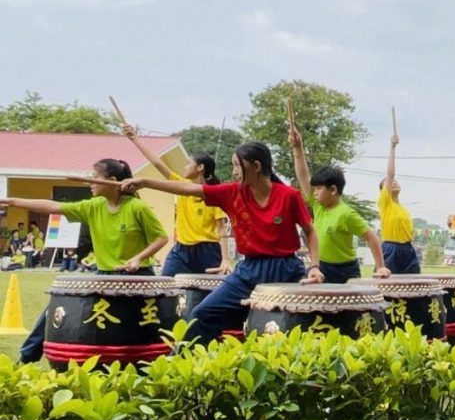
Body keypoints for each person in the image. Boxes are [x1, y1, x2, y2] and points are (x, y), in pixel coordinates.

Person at [121, 142, 324, 346]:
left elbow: (310, 231)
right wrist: (145, 182)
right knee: (203, 313)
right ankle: (186, 360)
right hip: (247, 271)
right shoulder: (232, 193)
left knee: (295, 323)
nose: (234, 172)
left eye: (237, 165)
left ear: (256, 166)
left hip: (287, 270)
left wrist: (314, 267)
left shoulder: (289, 196)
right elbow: (188, 189)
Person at [3, 158, 169, 363]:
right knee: (56, 310)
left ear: (112, 181)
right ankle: (26, 358)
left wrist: (138, 258)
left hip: (138, 277)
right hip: (104, 276)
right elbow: (54, 206)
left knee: (141, 329)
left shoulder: (137, 208)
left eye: (95, 178)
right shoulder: (93, 206)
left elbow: (161, 238)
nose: (90, 182)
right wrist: (12, 201)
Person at [289, 121, 390, 283]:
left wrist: (380, 267)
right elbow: (303, 176)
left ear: (333, 190)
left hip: (346, 271)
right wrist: (298, 148)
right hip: (321, 267)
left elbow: (372, 238)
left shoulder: (346, 214)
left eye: (319, 189)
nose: (315, 193)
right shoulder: (318, 206)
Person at [123, 124, 231, 276]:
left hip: (207, 251)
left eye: (188, 163)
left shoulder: (213, 194)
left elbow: (221, 229)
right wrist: (135, 139)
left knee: (204, 290)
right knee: (166, 284)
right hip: (181, 250)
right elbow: (157, 163)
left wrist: (225, 259)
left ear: (200, 167)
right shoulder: (181, 186)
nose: (184, 167)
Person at [378, 128, 419, 274]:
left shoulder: (404, 210)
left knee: (414, 283)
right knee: (388, 283)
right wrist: (392, 147)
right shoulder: (385, 203)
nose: (394, 182)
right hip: (391, 249)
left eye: (396, 181)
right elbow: (390, 173)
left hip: (408, 249)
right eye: (389, 182)